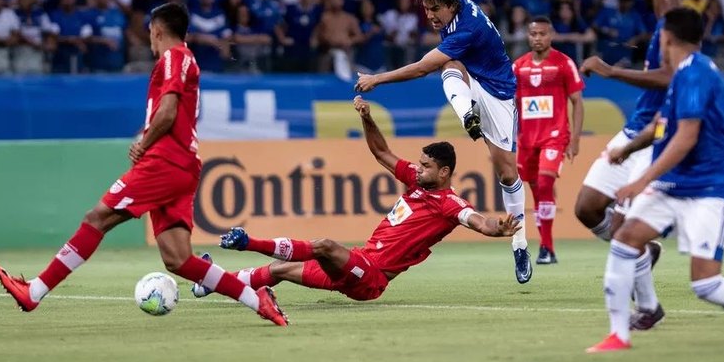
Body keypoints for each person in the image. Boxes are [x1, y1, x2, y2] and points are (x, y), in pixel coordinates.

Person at [0, 2, 287, 327]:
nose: (150, 38)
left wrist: (143, 143)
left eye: (150, 32)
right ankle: (256, 298)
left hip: (165, 161)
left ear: (157, 30)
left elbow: (168, 111)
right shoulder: (185, 60)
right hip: (184, 163)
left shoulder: (175, 57)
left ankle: (34, 292)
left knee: (96, 218)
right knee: (178, 260)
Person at [191, 96, 522, 316]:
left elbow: (477, 220)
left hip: (370, 277)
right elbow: (381, 153)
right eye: (419, 164)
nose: (417, 168)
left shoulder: (449, 203)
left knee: (324, 246)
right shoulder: (414, 182)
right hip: (358, 261)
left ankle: (247, 243)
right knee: (278, 271)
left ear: (444, 172)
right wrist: (367, 118)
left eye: (425, 166)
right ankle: (211, 283)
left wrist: (498, 228)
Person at [587, 7, 724, 352]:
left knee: (706, 285)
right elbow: (662, 123)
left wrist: (640, 181)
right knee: (625, 241)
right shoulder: (681, 74)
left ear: (667, 37)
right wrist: (629, 148)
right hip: (672, 185)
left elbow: (685, 137)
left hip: (709, 189)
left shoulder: (698, 74)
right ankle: (619, 335)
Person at [354, 0, 533, 284]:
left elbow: (422, 67)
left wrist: (376, 79)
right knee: (450, 65)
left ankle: (520, 244)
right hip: (471, 78)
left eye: (436, 9)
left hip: (500, 92)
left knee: (507, 172)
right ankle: (467, 115)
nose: (430, 15)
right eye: (426, 8)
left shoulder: (467, 30)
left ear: (451, 6)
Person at [576, 0, 684, 330]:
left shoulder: (676, 22)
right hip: (636, 124)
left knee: (624, 225)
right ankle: (643, 253)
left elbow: (672, 77)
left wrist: (610, 70)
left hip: (657, 133)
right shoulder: (661, 22)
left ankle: (649, 306)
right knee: (588, 207)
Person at [512, 16, 584, 265]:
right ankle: (546, 246)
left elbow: (577, 102)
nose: (537, 38)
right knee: (536, 191)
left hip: (555, 136)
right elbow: (509, 104)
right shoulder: (518, 67)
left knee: (544, 182)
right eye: (533, 34)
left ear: (550, 35)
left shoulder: (563, 63)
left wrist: (574, 139)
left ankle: (547, 246)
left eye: (542, 34)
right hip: (527, 140)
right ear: (528, 36)